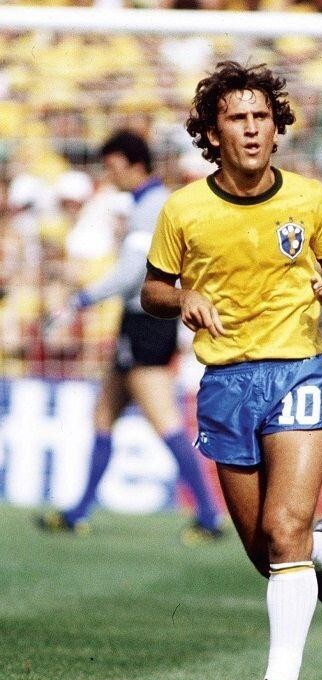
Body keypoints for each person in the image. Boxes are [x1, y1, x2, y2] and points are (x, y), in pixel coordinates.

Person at [141, 62, 322, 680]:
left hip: (298, 370)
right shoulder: (184, 209)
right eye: (237, 117)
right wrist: (182, 297)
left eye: (261, 116)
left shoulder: (309, 199)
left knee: (285, 526)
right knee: (271, 554)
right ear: (213, 132)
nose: (252, 128)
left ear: (276, 125)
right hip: (226, 383)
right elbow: (152, 289)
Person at [38, 130, 223, 543]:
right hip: (136, 321)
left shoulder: (153, 207)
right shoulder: (144, 204)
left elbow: (131, 273)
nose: (109, 175)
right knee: (104, 414)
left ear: (134, 164)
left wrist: (79, 300)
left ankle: (210, 515)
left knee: (164, 419)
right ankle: (78, 512)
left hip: (148, 323)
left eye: (112, 166)